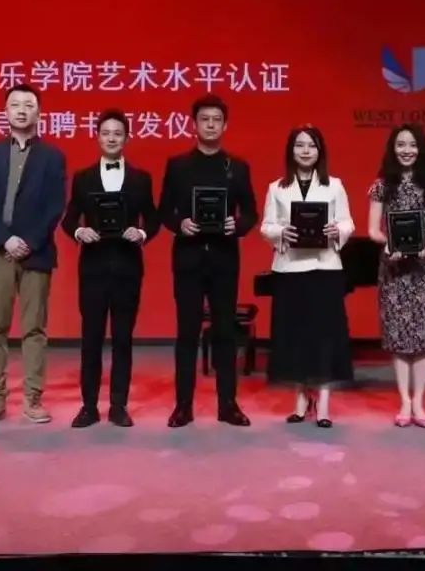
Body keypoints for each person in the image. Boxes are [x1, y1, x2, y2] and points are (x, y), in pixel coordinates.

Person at [159, 95, 258, 427]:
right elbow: (164, 211)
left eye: (217, 119)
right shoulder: (177, 166)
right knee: (187, 332)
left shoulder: (237, 167)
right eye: (205, 119)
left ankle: (228, 405)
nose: (211, 125)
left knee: (225, 333)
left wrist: (237, 225)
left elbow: (251, 213)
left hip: (224, 258)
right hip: (187, 258)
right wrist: (180, 224)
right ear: (194, 124)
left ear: (225, 125)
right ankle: (183, 405)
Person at [0, 85, 67, 425]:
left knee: (34, 328)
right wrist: (6, 238)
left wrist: (28, 240)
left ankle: (33, 398)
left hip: (35, 252)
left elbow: (55, 205)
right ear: (5, 112)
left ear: (39, 113)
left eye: (29, 104)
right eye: (15, 105)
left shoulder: (52, 157)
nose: (22, 110)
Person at [61, 109, 160, 428]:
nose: (112, 138)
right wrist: (80, 232)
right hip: (93, 268)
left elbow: (154, 219)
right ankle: (88, 406)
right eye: (106, 133)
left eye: (118, 133)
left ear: (126, 138)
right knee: (90, 340)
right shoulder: (83, 178)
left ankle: (118, 405)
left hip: (128, 269)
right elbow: (68, 219)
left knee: (122, 339)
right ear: (98, 137)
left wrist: (141, 233)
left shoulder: (141, 179)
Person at [261, 126, 354, 426]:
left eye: (311, 146)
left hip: (325, 269)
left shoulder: (334, 185)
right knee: (296, 337)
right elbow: (266, 226)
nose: (305, 151)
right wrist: (280, 232)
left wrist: (336, 230)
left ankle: (323, 402)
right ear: (291, 151)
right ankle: (301, 399)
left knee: (325, 337)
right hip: (289, 270)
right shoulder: (277, 188)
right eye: (299, 145)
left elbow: (348, 223)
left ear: (319, 151)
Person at [367, 124, 425, 426]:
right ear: (393, 148)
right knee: (399, 337)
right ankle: (404, 401)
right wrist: (389, 244)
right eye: (400, 144)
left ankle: (419, 402)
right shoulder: (381, 186)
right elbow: (373, 230)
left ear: (421, 148)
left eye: (412, 145)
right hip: (395, 268)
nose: (406, 150)